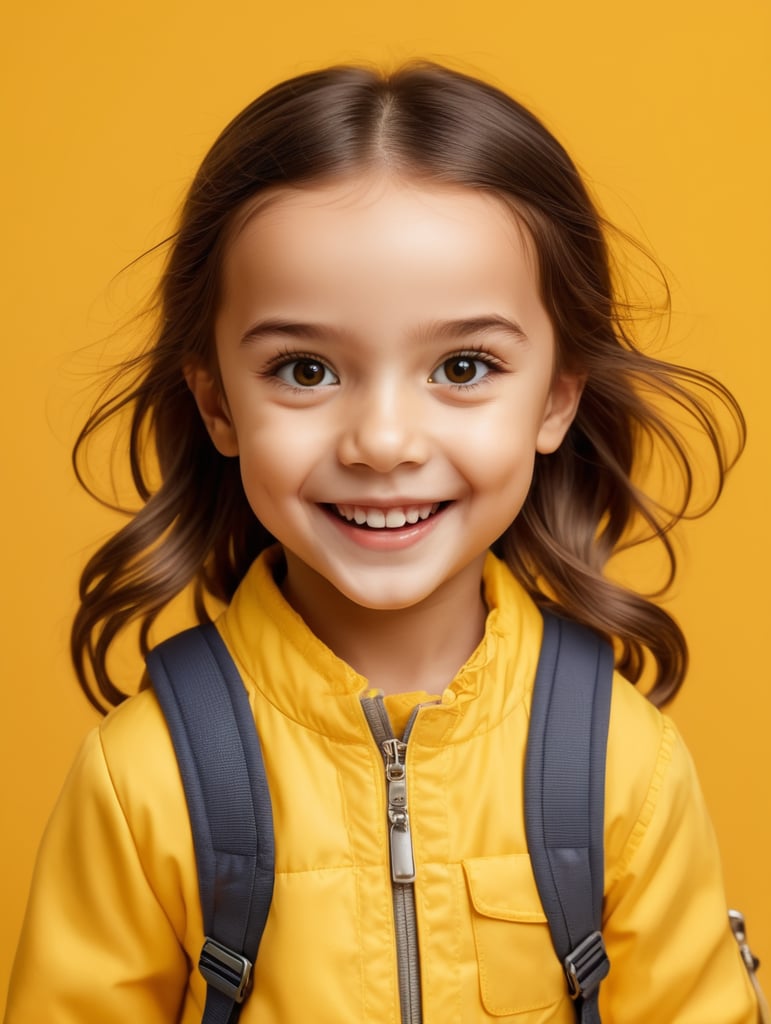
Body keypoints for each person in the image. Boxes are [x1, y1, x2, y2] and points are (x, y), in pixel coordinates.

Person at [4, 63, 760, 1024]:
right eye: (306, 369)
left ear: (557, 397)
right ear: (215, 402)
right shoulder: (142, 776)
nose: (384, 442)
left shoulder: (622, 763)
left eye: (462, 365)